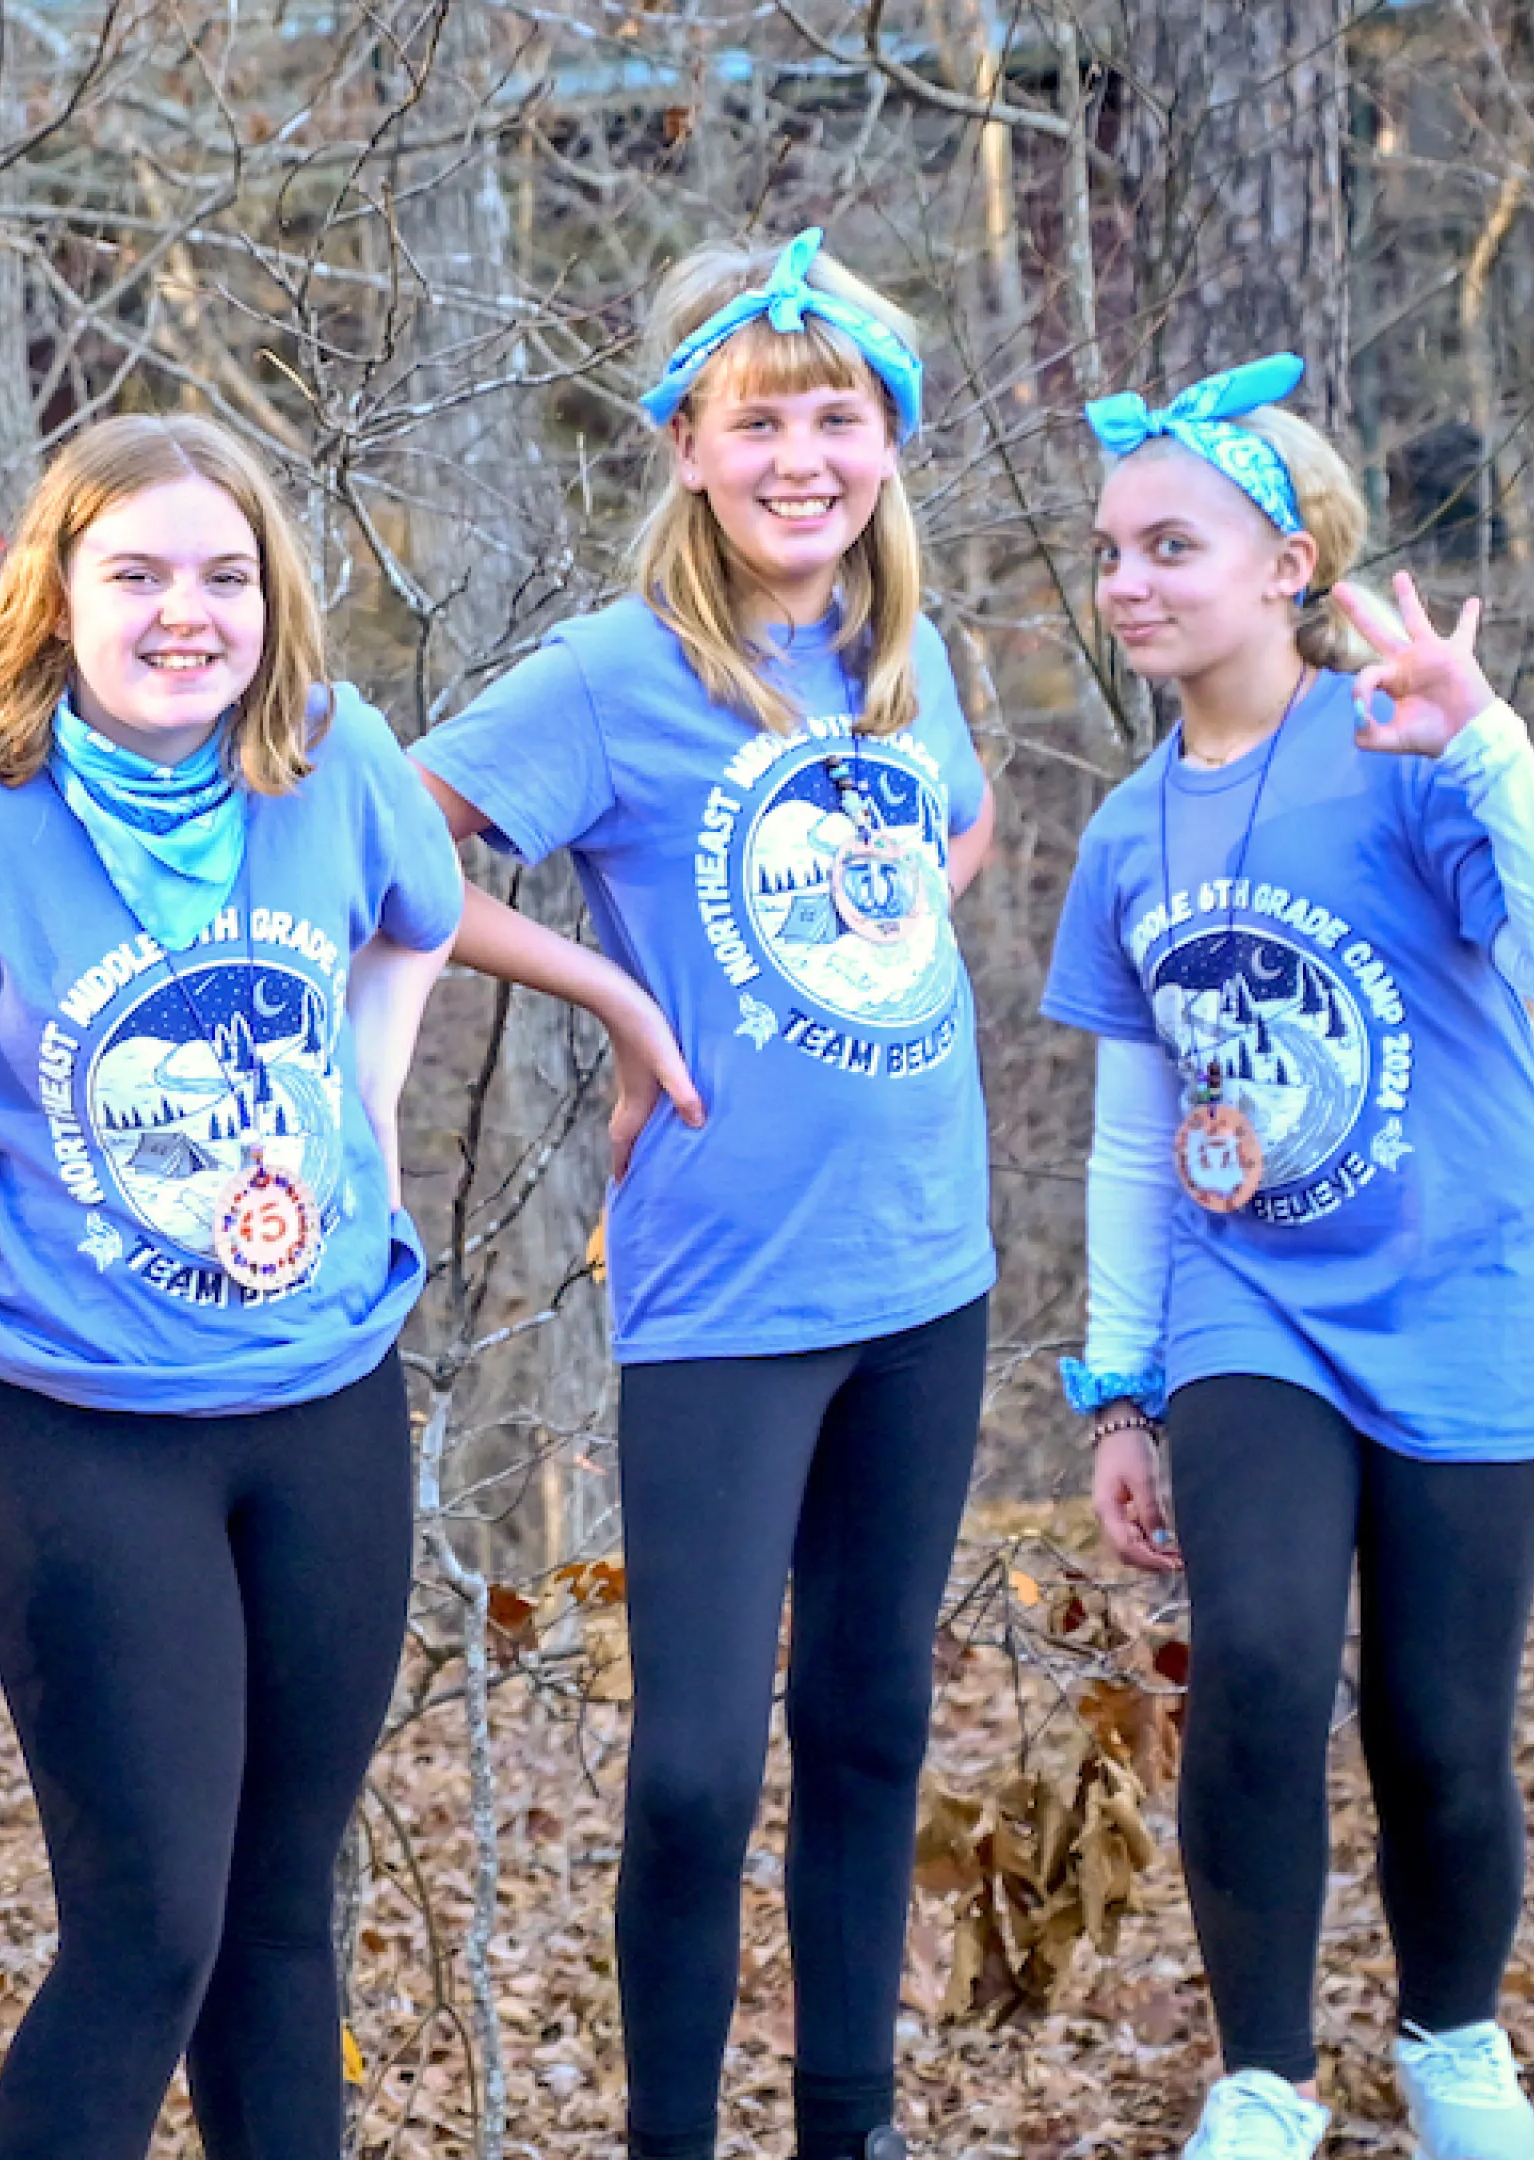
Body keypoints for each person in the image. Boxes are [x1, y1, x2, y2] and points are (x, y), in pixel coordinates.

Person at [0, 413, 459, 2160]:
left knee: (285, 1924)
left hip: (327, 1404)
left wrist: (365, 1112)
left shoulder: (333, 755)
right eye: (135, 573)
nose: (183, 615)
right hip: (86, 1427)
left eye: (224, 576)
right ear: (56, 592)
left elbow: (419, 917)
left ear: (272, 599)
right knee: (152, 1930)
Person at [409, 228, 993, 2160]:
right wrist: (607, 985)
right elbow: (396, 842)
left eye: (839, 418)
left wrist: (857, 975)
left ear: (890, 442)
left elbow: (957, 833)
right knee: (690, 1770)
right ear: (686, 445)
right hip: (724, 1293)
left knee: (869, 1730)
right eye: (760, 422)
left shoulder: (910, 659)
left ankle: (853, 2125)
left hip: (929, 1272)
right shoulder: (614, 675)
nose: (801, 457)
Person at [1047, 355, 1534, 2160]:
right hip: (1256, 1317)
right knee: (1257, 1656)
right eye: (1110, 552)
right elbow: (1133, 1141)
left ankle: (1458, 2062)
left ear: (1288, 562)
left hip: (1470, 1294)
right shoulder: (1119, 832)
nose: (1131, 581)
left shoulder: (1396, 744)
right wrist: (1120, 1390)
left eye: (1173, 545)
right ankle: (1265, 2083)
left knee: (1439, 1724)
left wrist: (1489, 739)